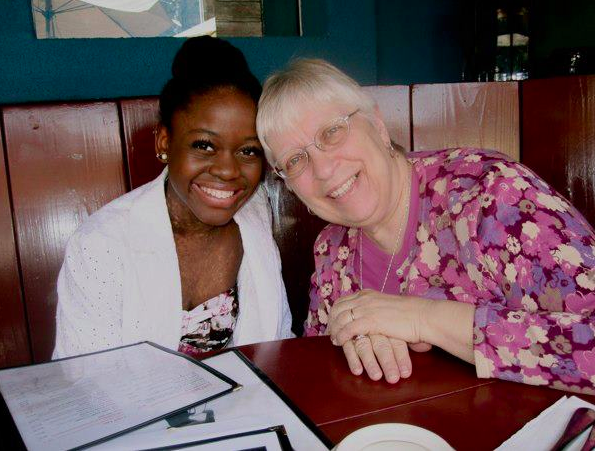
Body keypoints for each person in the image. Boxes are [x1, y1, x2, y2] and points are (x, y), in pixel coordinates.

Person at [256, 58, 595, 393]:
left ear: (377, 124)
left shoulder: (491, 194)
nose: (323, 169)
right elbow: (319, 367)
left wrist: (423, 319)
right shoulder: (331, 250)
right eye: (295, 160)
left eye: (331, 132)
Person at [53, 36, 293, 359]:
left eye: (248, 151)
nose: (227, 170)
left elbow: (279, 338)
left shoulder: (255, 214)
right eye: (204, 145)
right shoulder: (101, 246)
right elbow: (83, 383)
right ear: (164, 141)